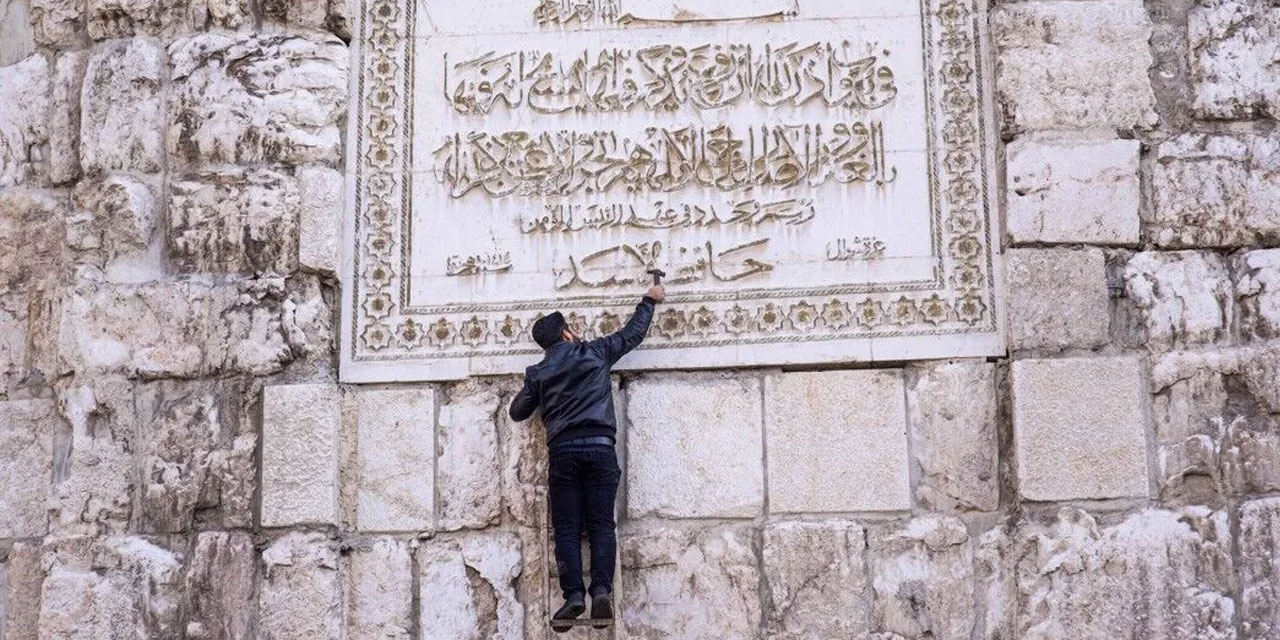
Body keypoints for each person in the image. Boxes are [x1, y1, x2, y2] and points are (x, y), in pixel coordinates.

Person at [508, 284, 665, 632]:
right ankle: (602, 591)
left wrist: (533, 386)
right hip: (600, 450)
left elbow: (518, 412)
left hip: (564, 454)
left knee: (566, 527)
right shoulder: (595, 352)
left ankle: (574, 596)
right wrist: (649, 301)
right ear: (567, 332)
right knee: (600, 525)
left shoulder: (539, 372)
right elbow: (633, 334)